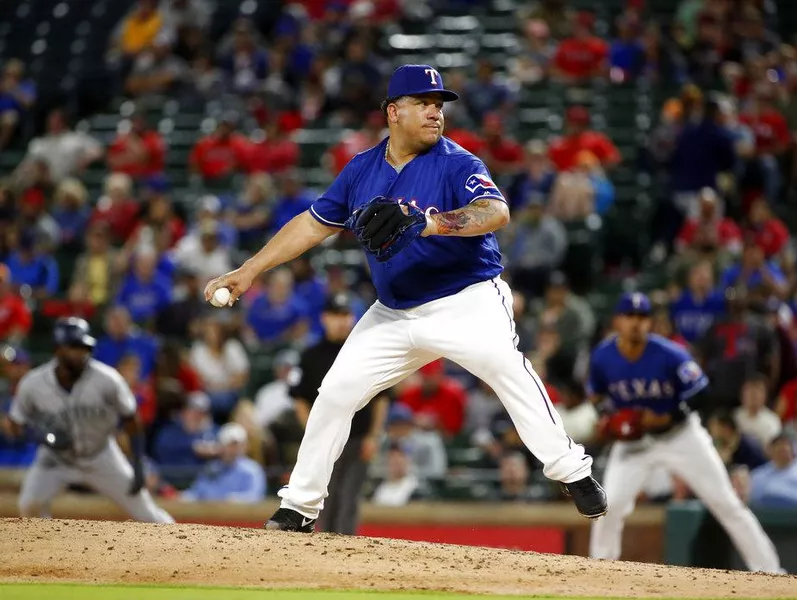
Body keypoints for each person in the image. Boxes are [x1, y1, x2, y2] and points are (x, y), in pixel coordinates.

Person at [206, 64, 605, 532]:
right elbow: (313, 224)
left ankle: (571, 471)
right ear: (393, 112)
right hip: (393, 312)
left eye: (440, 106)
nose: (436, 113)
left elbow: (496, 211)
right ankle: (298, 506)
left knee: (504, 365)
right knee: (335, 393)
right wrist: (249, 270)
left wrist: (431, 222)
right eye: (424, 104)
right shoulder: (360, 171)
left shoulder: (458, 162)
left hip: (466, 300)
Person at [587, 293, 781, 573]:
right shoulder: (603, 356)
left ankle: (771, 571)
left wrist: (669, 415)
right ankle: (599, 573)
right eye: (630, 316)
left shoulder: (670, 354)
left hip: (681, 437)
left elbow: (702, 393)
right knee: (609, 506)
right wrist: (609, 418)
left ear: (650, 322)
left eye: (642, 317)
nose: (636, 323)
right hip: (636, 443)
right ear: (618, 320)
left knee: (726, 503)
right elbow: (596, 396)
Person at [2, 318, 173, 523]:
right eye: (74, 347)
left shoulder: (107, 379)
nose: (81, 353)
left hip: (101, 455)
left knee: (147, 513)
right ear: (58, 349)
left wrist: (137, 464)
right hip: (54, 459)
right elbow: (15, 425)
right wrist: (42, 435)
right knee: (29, 505)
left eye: (84, 347)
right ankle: (44, 549)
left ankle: (182, 546)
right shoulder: (33, 384)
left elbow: (131, 419)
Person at [290, 292, 389, 535]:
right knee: (326, 495)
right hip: (328, 439)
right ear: (324, 318)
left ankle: (344, 546)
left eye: (346, 315)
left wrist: (374, 436)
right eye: (336, 315)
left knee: (349, 495)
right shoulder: (310, 355)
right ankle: (326, 545)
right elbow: (300, 400)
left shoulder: (366, 350)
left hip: (358, 438)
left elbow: (382, 399)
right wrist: (314, 434)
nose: (342, 321)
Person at [181, 423, 266, 503]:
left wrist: (233, 500)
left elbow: (256, 496)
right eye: (229, 445)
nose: (233, 449)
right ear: (221, 445)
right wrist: (181, 496)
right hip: (211, 516)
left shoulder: (253, 470)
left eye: (237, 445)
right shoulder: (211, 468)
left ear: (244, 446)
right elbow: (196, 492)